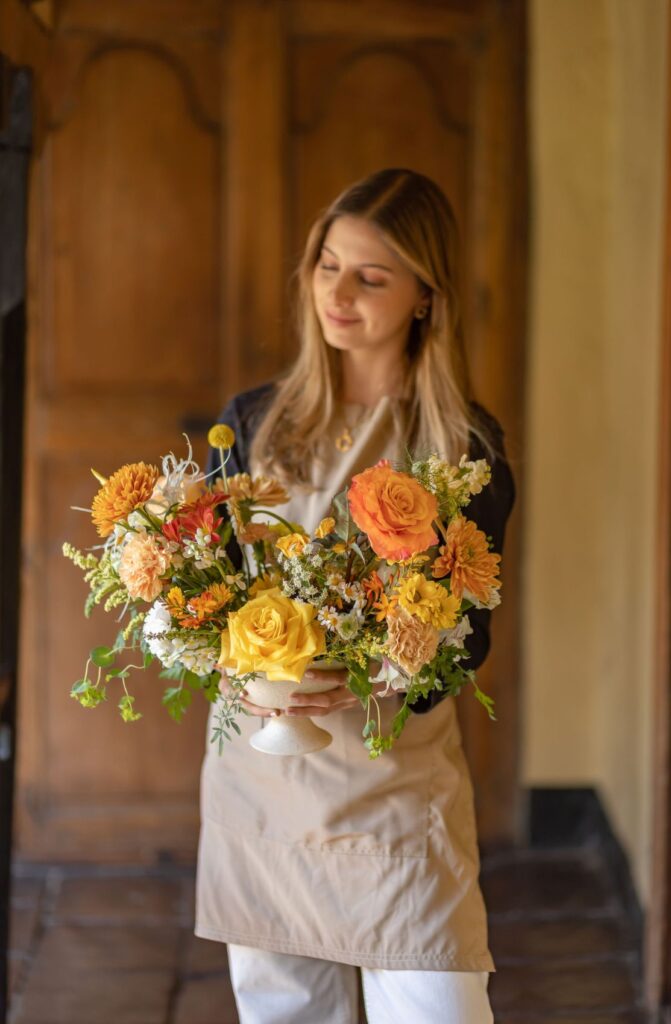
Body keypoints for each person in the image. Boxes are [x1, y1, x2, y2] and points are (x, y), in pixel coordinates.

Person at [196, 168, 516, 1024]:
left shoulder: (460, 444)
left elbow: (469, 634)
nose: (337, 293)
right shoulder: (252, 421)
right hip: (262, 783)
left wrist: (371, 674)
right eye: (326, 265)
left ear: (424, 295)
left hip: (395, 788)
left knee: (437, 1005)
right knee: (286, 1013)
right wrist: (224, 661)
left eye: (371, 276)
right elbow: (205, 600)